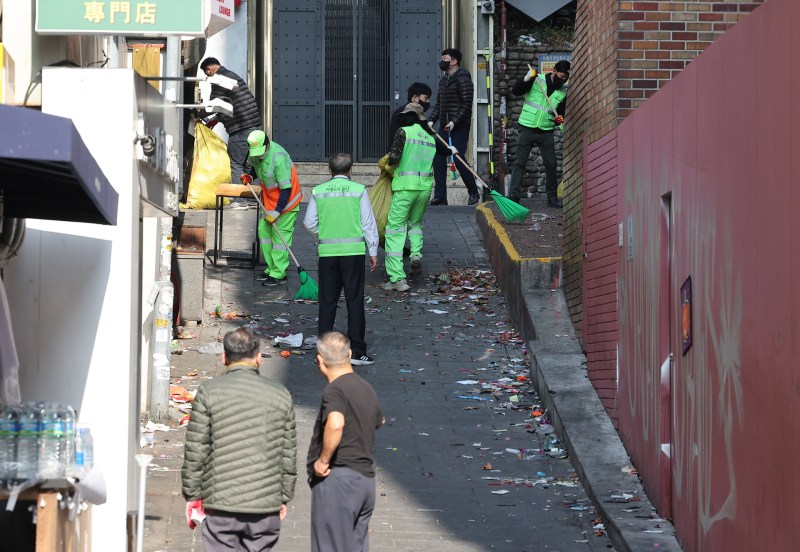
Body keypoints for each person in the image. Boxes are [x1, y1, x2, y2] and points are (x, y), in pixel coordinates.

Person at [181, 327, 297, 551]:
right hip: (265, 505)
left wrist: (193, 494)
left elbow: (196, 449)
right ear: (259, 359)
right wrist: (284, 496)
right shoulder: (280, 394)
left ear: (224, 358)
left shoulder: (208, 392)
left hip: (220, 505)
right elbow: (288, 452)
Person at [307, 331, 384, 552]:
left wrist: (323, 460)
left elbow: (336, 423)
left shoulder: (335, 390)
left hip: (340, 481)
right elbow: (380, 418)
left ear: (320, 360)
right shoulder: (366, 387)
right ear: (350, 354)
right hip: (365, 483)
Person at [303, 153, 379, 366]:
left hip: (327, 253)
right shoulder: (358, 191)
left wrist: (323, 232)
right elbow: (368, 224)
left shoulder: (319, 191)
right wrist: (373, 250)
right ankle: (356, 352)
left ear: (329, 170)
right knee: (354, 302)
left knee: (327, 302)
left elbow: (309, 223)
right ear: (350, 170)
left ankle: (326, 352)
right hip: (353, 253)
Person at [381, 101, 456, 291]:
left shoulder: (404, 132)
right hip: (424, 189)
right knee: (415, 224)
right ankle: (415, 254)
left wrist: (386, 167)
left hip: (405, 188)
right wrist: (450, 150)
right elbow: (443, 152)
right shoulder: (430, 137)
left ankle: (397, 278)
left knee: (395, 231)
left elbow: (394, 158)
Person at [241, 130, 303, 285]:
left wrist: (277, 211)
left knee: (279, 239)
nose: (257, 155)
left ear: (267, 144)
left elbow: (286, 189)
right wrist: (250, 176)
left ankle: (278, 273)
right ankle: (271, 267)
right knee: (264, 233)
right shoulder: (255, 152)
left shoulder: (278, 158)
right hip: (269, 201)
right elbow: (255, 168)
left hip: (287, 204)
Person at [508, 60, 571, 209]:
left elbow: (560, 113)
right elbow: (516, 91)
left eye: (566, 78)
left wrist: (559, 119)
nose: (563, 80)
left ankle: (552, 198)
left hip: (546, 130)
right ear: (554, 71)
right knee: (520, 162)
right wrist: (526, 78)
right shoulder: (537, 79)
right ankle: (514, 196)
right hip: (527, 127)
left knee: (551, 164)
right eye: (562, 76)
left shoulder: (563, 91)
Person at [200, 57, 262, 207]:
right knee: (250, 165)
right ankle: (252, 198)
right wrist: (216, 119)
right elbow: (229, 104)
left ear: (209, 70)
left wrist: (196, 112)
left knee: (236, 164)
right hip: (255, 126)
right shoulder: (231, 76)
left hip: (240, 129)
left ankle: (239, 200)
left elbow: (214, 104)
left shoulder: (219, 79)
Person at [428, 48, 480, 207]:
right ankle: (440, 196)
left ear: (454, 61)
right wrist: (431, 120)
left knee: (457, 158)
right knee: (438, 158)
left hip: (459, 127)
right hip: (445, 127)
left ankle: (473, 192)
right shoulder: (444, 80)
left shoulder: (463, 79)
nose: (442, 61)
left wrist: (454, 122)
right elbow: (439, 104)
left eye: (445, 58)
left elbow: (466, 105)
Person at [386, 82, 432, 152]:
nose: (428, 102)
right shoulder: (411, 114)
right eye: (426, 98)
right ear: (415, 98)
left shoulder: (400, 111)